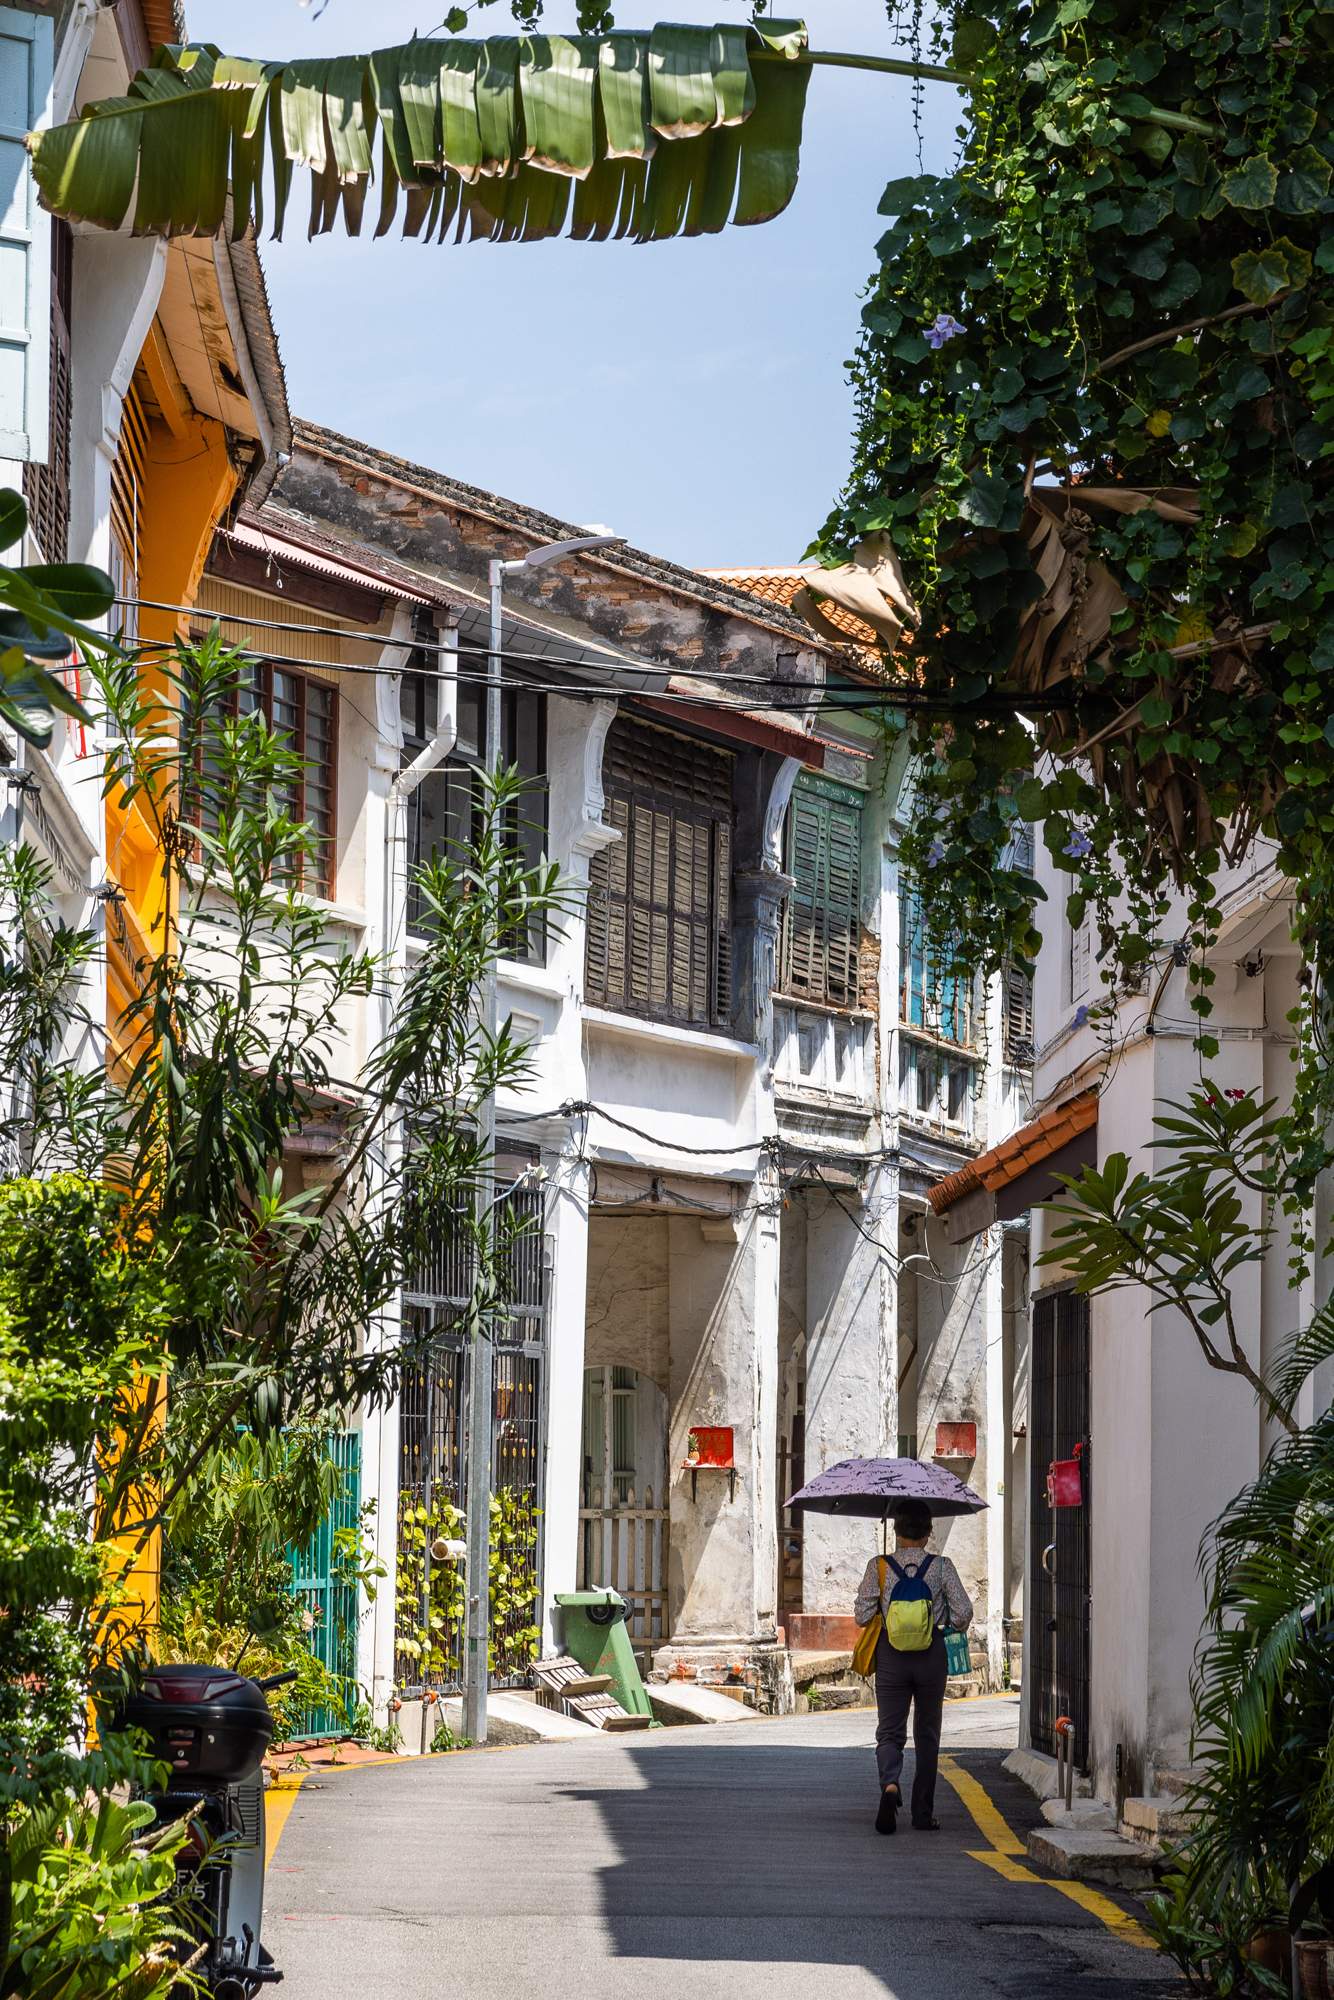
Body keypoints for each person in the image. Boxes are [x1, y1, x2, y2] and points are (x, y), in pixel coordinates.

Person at [853, 1498, 973, 1834]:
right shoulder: (942, 1566)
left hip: (891, 1656)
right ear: (929, 1531)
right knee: (927, 1733)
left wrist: (885, 1610)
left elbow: (862, 1616)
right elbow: (963, 1614)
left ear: (896, 1530)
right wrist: (941, 1619)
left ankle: (890, 1784)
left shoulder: (878, 1566)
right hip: (931, 1655)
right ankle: (922, 1813)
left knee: (890, 1731)